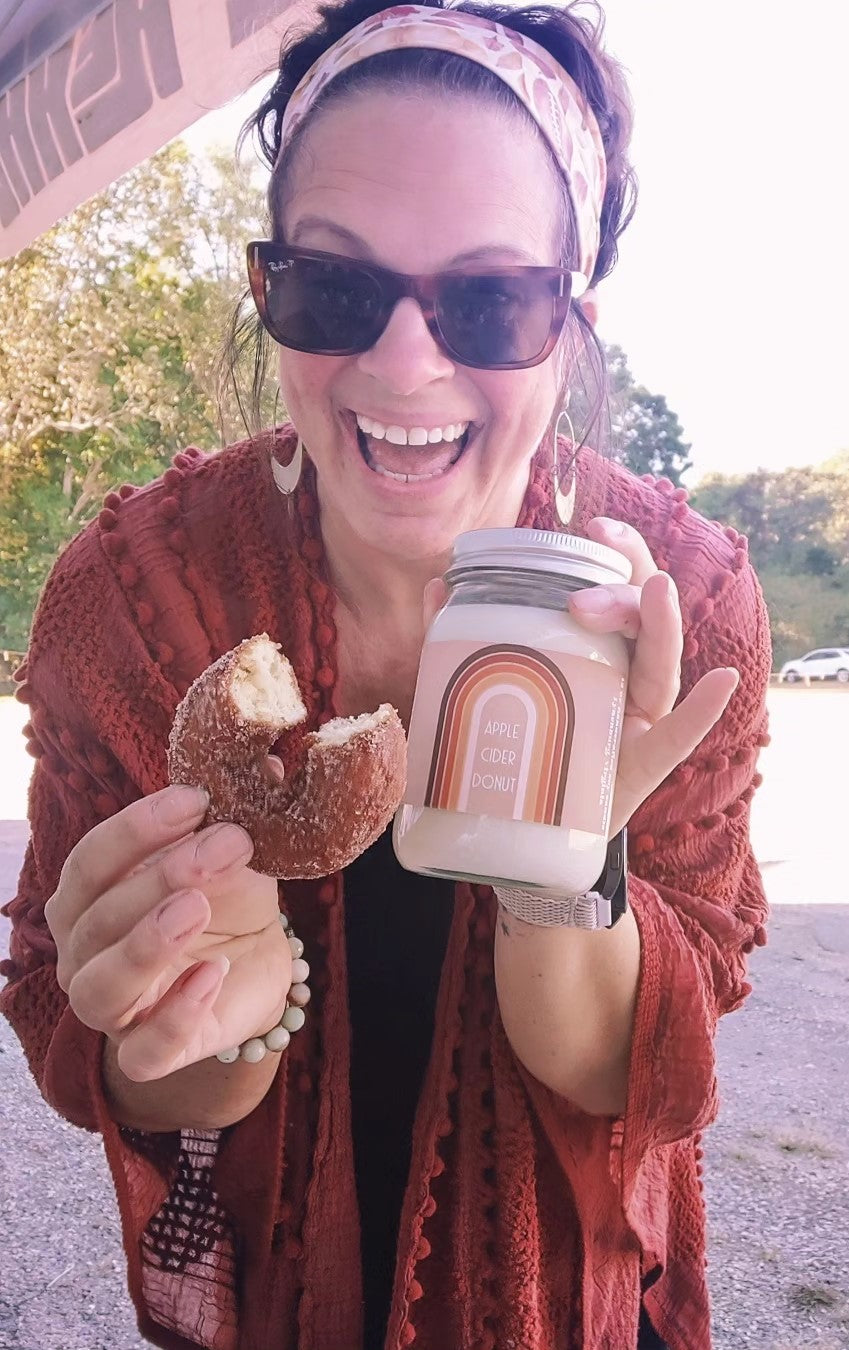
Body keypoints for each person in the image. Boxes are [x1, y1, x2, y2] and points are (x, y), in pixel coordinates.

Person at [0, 1, 772, 1347]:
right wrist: (199, 1015)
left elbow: (626, 1072)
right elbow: (125, 1065)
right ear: (264, 289)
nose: (403, 359)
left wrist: (561, 874)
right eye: (335, 287)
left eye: (486, 299)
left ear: (567, 319)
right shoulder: (127, 609)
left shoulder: (684, 605)